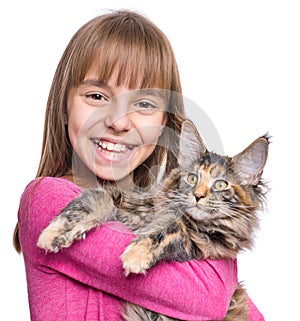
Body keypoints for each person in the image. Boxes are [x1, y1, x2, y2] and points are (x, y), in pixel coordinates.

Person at [13, 10, 264, 321]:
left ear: (164, 123)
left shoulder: (170, 213)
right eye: (97, 96)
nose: (119, 122)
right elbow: (208, 298)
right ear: (64, 105)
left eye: (144, 103)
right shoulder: (47, 199)